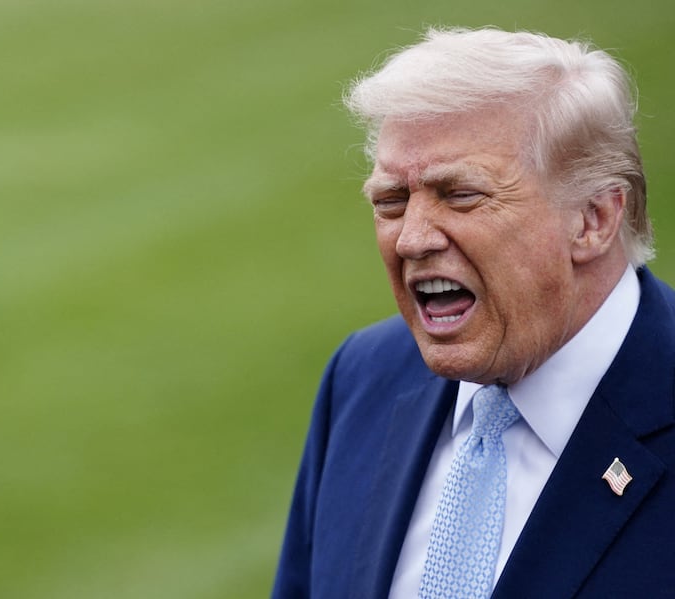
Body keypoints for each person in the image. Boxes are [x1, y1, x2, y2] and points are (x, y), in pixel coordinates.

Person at [271, 27, 675, 598]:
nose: (411, 239)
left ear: (593, 219)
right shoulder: (362, 378)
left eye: (461, 195)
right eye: (391, 201)